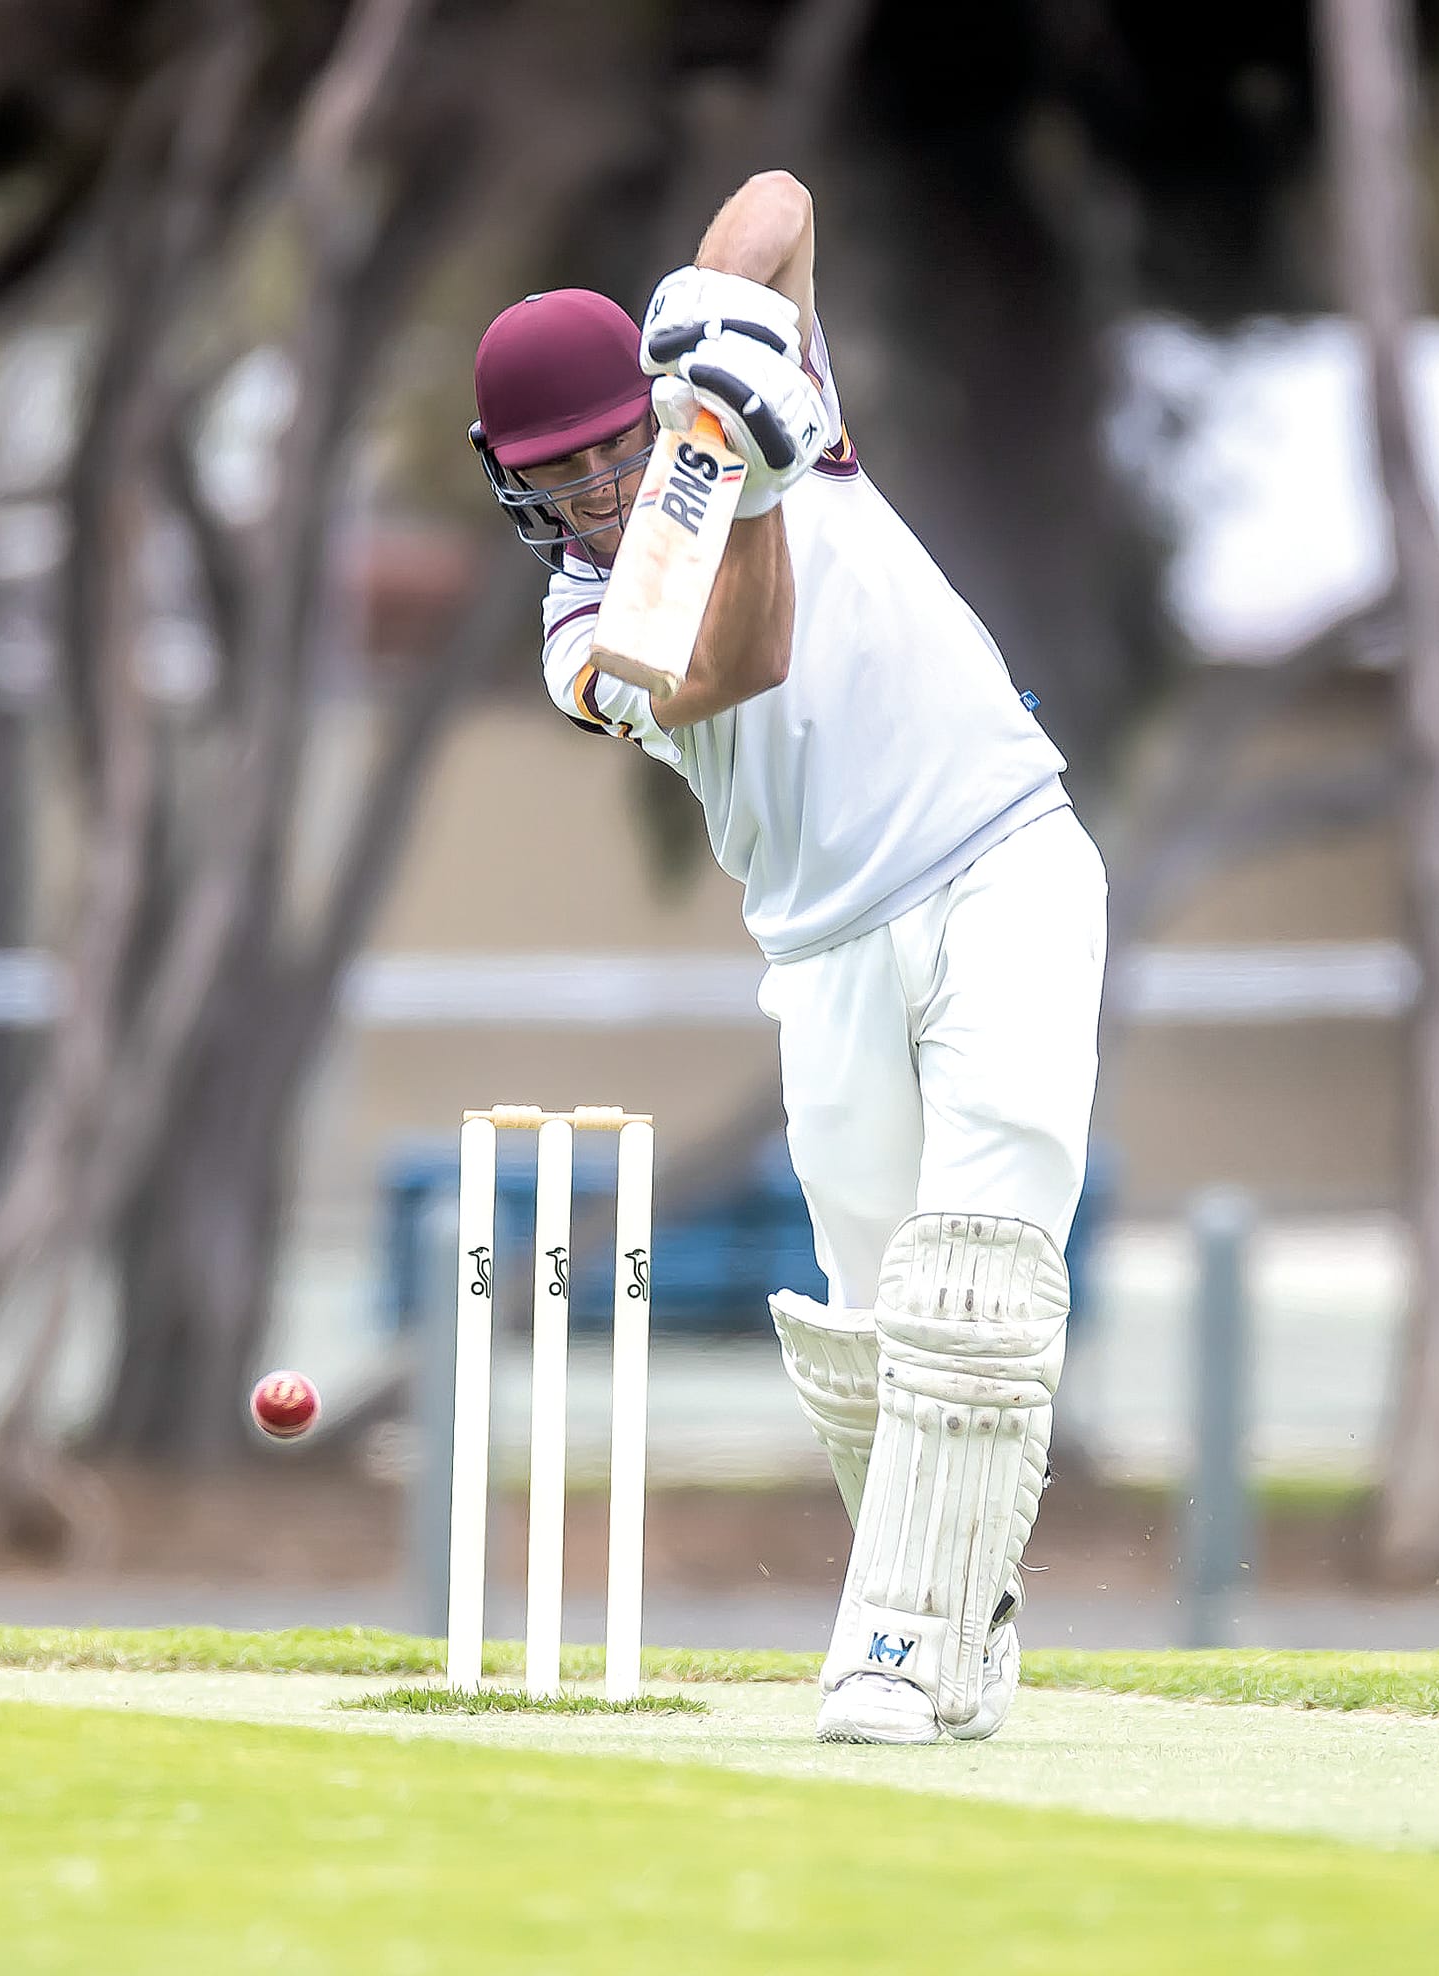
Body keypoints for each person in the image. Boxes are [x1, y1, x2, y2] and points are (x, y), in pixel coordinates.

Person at [469, 170, 1107, 1745]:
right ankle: (977, 1617)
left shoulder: (745, 399)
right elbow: (738, 653)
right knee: (875, 1325)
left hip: (1007, 856)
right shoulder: (578, 631)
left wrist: (724, 344)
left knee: (979, 1276)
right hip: (822, 947)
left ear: (643, 412)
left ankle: (892, 1642)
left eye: (612, 453)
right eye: (561, 480)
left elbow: (777, 204)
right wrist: (743, 485)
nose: (602, 496)